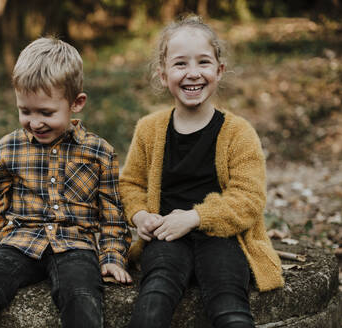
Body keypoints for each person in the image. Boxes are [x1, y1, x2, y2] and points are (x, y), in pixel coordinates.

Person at [0, 36, 132, 328]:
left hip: (76, 245)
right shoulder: (6, 150)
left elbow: (112, 213)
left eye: (46, 113)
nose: (35, 123)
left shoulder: (100, 152)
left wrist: (112, 256)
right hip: (20, 241)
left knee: (82, 299)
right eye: (25, 111)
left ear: (77, 103)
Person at [119, 15, 284, 328]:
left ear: (219, 70)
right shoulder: (149, 129)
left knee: (228, 300)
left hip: (223, 237)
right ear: (162, 73)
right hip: (166, 238)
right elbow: (130, 184)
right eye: (180, 64)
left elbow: (249, 199)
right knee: (155, 293)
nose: (192, 73)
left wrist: (194, 218)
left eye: (203, 62)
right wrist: (140, 215)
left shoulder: (238, 132)